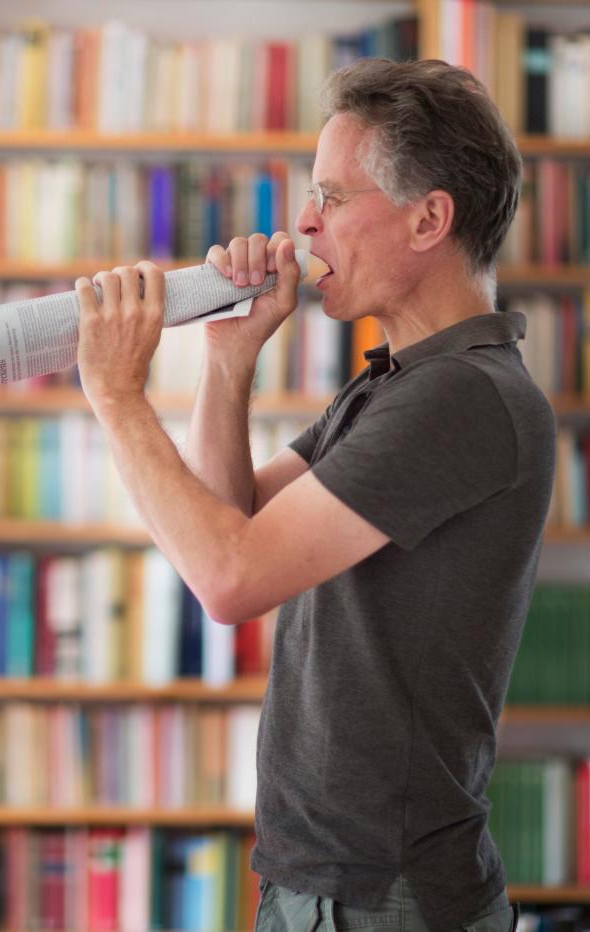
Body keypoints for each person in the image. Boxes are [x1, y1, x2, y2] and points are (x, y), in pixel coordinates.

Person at [74, 58, 552, 932]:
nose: (301, 224)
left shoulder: (463, 396)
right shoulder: (402, 384)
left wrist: (116, 395)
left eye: (330, 197)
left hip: (383, 897)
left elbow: (228, 579)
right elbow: (233, 525)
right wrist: (228, 360)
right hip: (334, 883)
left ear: (428, 219)